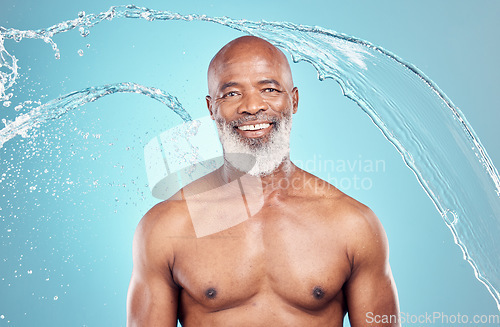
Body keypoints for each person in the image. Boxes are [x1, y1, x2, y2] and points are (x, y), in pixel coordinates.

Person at [127, 35, 400, 326]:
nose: (252, 106)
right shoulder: (167, 226)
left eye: (269, 89)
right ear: (211, 108)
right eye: (232, 94)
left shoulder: (353, 224)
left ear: (293, 100)